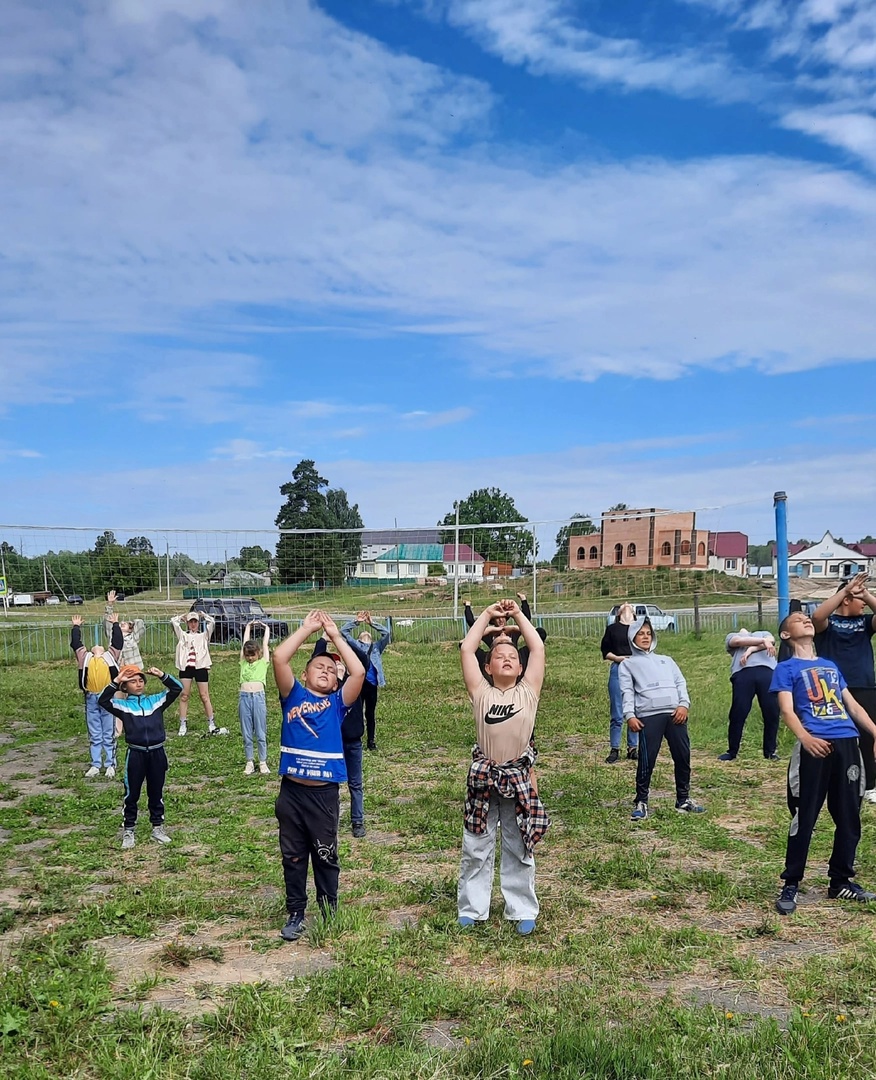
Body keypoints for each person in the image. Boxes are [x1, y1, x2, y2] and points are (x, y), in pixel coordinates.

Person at [771, 609, 876, 915]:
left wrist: (873, 730)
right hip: (815, 744)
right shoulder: (786, 668)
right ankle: (791, 882)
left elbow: (852, 705)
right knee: (805, 815)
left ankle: (840, 881)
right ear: (786, 635)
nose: (805, 619)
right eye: (797, 619)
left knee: (849, 816)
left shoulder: (830, 666)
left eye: (807, 617)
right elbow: (787, 710)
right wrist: (805, 738)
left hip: (846, 743)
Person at [272, 610, 366, 942]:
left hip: (323, 795)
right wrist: (307, 629)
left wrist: (336, 635)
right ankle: (296, 912)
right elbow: (279, 657)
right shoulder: (292, 696)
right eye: (319, 667)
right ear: (304, 673)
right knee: (293, 856)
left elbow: (359, 671)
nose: (326, 671)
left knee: (325, 855)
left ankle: (328, 911)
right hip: (291, 794)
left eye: (331, 670)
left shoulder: (338, 703)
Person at [457, 599, 548, 936]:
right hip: (484, 780)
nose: (507, 659)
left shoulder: (529, 691)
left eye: (512, 657)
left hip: (519, 779)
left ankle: (521, 908)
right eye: (499, 656)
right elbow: (467, 647)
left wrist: (519, 616)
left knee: (518, 845)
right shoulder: (480, 692)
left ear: (522, 667)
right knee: (476, 844)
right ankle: (472, 908)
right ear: (487, 666)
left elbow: (536, 646)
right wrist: (488, 616)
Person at [620, 617, 704, 821]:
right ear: (632, 638)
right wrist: (630, 715)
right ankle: (641, 801)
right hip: (649, 716)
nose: (645, 637)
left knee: (683, 756)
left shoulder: (667, 660)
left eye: (648, 633)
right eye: (641, 634)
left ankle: (683, 799)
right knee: (647, 760)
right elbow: (627, 691)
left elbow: (680, 683)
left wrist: (684, 704)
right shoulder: (628, 664)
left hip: (676, 715)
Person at [98, 665, 182, 849]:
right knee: (131, 794)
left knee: (156, 792)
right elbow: (102, 700)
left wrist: (162, 675)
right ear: (125, 687)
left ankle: (157, 828)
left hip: (157, 753)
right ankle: (129, 830)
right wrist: (116, 681)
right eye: (132, 681)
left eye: (141, 680)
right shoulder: (122, 706)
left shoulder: (155, 701)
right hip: (135, 754)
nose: (138, 684)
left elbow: (177, 689)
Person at [812, 573, 876, 804]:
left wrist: (866, 594)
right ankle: (828, 780)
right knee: (831, 734)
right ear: (847, 599)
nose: (863, 603)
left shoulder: (866, 622)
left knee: (868, 736)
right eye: (858, 598)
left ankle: (869, 784)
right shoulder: (827, 625)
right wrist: (844, 591)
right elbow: (817, 616)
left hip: (864, 684)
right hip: (830, 688)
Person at [313, 639, 367, 838]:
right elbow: (315, 661)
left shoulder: (355, 684)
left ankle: (358, 821)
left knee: (355, 784)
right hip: (331, 744)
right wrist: (322, 641)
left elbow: (362, 661)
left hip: (353, 742)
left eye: (340, 662)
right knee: (330, 785)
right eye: (333, 665)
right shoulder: (326, 691)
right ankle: (329, 822)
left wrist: (342, 640)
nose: (338, 665)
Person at [71, 614, 123, 778]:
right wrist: (76, 626)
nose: (97, 646)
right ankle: (95, 765)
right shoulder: (85, 657)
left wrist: (115, 624)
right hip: (91, 698)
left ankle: (110, 764)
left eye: (100, 646)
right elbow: (75, 643)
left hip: (107, 699)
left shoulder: (110, 656)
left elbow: (117, 642)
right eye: (95, 646)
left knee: (108, 732)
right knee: (95, 733)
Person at [718, 628, 780, 761]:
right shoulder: (732, 635)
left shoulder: (764, 632)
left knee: (772, 712)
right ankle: (732, 751)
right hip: (743, 672)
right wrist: (763, 642)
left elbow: (771, 641)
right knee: (738, 712)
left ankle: (770, 751)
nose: (743, 629)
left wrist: (750, 650)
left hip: (767, 672)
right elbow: (738, 641)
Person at [340, 610, 390, 751]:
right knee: (356, 712)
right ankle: (356, 738)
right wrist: (357, 622)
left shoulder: (377, 647)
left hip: (372, 685)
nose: (365, 633)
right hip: (358, 684)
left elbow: (386, 634)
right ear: (359, 638)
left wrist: (372, 623)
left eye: (367, 633)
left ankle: (371, 741)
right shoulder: (355, 645)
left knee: (370, 713)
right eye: (363, 633)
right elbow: (343, 632)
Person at [463, 592, 547, 675]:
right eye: (497, 618)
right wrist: (489, 630)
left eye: (503, 617)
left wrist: (514, 627)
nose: (500, 620)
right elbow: (470, 631)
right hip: (496, 662)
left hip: (516, 659)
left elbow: (537, 631)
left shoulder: (513, 632)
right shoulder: (490, 634)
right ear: (493, 620)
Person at [599, 602, 638, 763]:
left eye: (630, 604)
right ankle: (615, 748)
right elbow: (605, 650)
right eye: (623, 604)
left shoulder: (640, 627)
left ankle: (633, 748)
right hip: (618, 667)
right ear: (618, 612)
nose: (627, 604)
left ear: (635, 613)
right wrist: (617, 658)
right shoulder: (612, 629)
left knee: (635, 709)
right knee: (617, 710)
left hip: (637, 669)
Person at [171, 610, 217, 736]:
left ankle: (211, 723)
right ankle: (183, 723)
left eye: (195, 621)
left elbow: (212, 622)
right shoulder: (183, 636)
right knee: (184, 695)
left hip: (201, 667)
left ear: (198, 623)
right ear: (187, 623)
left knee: (204, 695)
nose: (193, 624)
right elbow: (173, 622)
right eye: (190, 621)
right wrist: (181, 617)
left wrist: (204, 615)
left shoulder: (204, 635)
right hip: (186, 667)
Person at [239, 621, 270, 776]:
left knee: (260, 730)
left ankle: (263, 761)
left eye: (253, 655)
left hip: (258, 697)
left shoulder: (263, 662)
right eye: (247, 655)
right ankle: (250, 761)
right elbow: (245, 643)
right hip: (244, 697)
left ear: (258, 654)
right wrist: (248, 627)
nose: (250, 658)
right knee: (246, 731)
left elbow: (265, 644)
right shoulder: (243, 662)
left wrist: (266, 628)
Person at [104, 590, 146, 668]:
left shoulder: (133, 636)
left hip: (133, 669)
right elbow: (108, 620)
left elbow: (140, 623)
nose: (122, 622)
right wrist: (110, 604)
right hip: (118, 669)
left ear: (130, 629)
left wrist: (131, 623)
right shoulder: (112, 636)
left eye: (125, 623)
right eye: (120, 623)